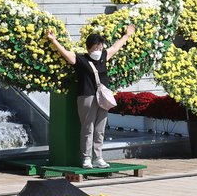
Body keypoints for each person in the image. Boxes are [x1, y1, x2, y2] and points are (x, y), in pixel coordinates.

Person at [46, 25, 136, 168]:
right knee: (88, 128)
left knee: (100, 129)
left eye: (100, 47)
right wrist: (53, 40)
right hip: (87, 97)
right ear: (88, 48)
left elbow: (116, 47)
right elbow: (64, 53)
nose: (98, 51)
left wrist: (127, 35)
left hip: (103, 98)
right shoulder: (81, 59)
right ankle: (86, 158)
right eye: (95, 48)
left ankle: (98, 158)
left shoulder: (104, 56)